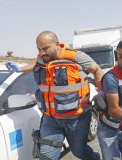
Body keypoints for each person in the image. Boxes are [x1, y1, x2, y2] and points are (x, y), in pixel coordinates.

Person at [7, 31, 103, 160]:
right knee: (46, 156)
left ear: (57, 44)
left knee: (79, 151)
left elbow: (97, 70)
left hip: (76, 118)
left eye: (45, 48)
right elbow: (35, 65)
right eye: (39, 49)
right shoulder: (42, 60)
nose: (42, 53)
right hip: (50, 119)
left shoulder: (75, 57)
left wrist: (102, 93)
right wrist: (20, 69)